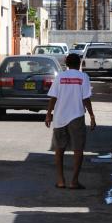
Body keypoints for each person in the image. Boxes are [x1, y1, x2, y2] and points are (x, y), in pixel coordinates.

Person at [45, 53, 96, 189]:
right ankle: (74, 181)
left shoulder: (60, 77)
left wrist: (49, 114)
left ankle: (61, 181)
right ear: (79, 64)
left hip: (60, 117)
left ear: (66, 64)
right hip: (77, 116)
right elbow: (86, 98)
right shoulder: (83, 77)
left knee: (59, 149)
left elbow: (53, 97)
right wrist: (92, 116)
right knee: (78, 149)